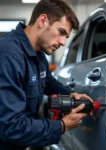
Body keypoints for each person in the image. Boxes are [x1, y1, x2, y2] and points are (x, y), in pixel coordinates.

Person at [0, 0, 93, 149]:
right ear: (43, 21)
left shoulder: (39, 54)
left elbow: (48, 81)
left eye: (66, 37)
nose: (63, 42)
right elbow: (12, 127)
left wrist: (70, 94)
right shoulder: (8, 55)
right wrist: (62, 125)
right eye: (61, 32)